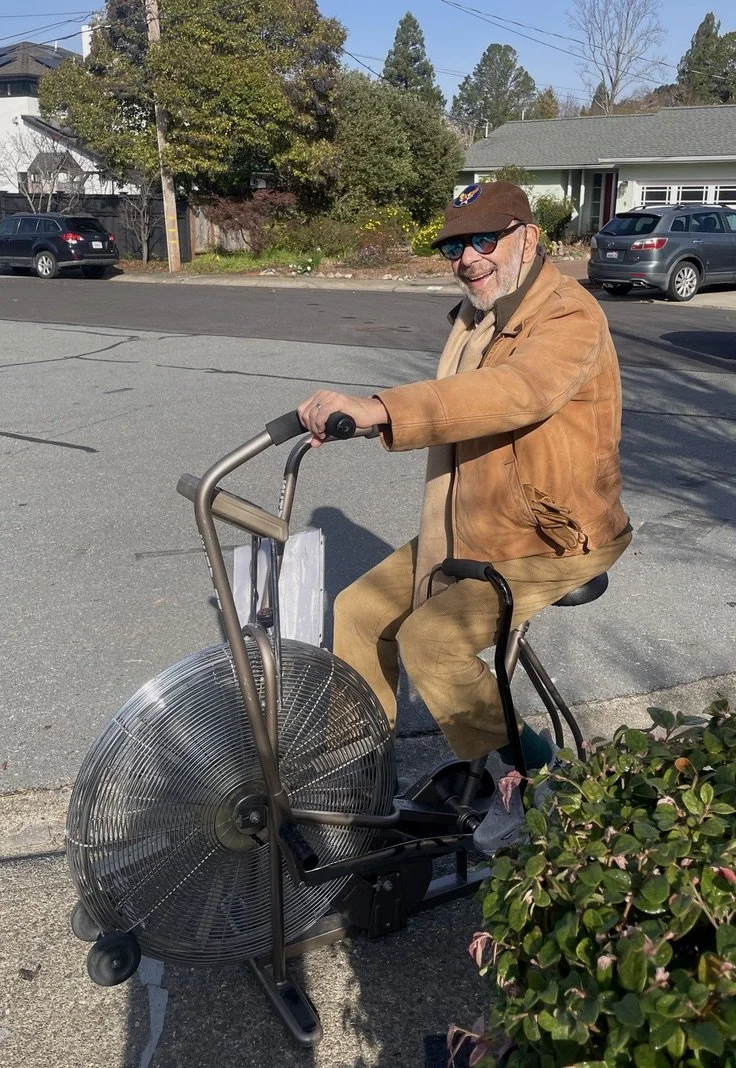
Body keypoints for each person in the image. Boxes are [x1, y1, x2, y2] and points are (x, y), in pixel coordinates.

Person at [297, 180, 631, 853]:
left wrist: (382, 407)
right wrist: (360, 421)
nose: (469, 256)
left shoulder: (568, 316)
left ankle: (540, 782)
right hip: (478, 523)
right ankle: (359, 787)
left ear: (528, 237)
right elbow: (461, 401)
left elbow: (515, 392)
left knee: (431, 640)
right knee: (360, 611)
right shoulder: (480, 314)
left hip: (553, 535)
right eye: (456, 244)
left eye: (485, 238)